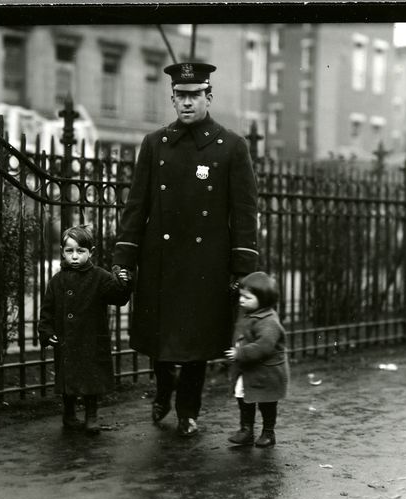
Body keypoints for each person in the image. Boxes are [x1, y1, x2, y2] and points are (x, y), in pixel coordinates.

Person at [113, 62, 259, 437]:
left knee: (196, 344)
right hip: (160, 258)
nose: (188, 103)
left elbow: (244, 214)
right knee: (159, 338)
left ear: (209, 97)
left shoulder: (231, 147)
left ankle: (187, 410)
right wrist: (123, 258)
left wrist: (242, 268)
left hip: (205, 262)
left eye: (196, 96)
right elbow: (137, 205)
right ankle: (163, 390)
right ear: (172, 98)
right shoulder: (155, 143)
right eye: (181, 96)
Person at [38, 225, 132, 435]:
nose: (74, 256)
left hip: (91, 339)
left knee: (92, 379)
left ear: (91, 252)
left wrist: (124, 283)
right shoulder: (57, 281)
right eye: (69, 251)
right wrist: (46, 330)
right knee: (68, 379)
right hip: (66, 340)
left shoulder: (99, 277)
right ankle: (69, 415)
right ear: (62, 251)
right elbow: (47, 310)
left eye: (80, 251)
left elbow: (118, 297)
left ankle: (92, 416)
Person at [224, 272, 290, 448]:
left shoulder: (269, 322)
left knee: (267, 403)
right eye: (241, 296)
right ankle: (246, 430)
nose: (241, 301)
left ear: (263, 299)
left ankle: (268, 432)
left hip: (266, 372)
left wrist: (240, 353)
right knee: (243, 397)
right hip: (248, 371)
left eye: (247, 297)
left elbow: (264, 346)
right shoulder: (250, 313)